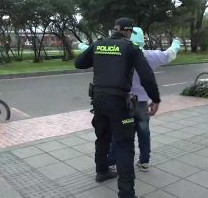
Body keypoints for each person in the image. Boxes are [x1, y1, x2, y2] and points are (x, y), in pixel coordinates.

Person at [75, 18, 161, 198]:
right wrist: (156, 99)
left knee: (102, 137)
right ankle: (126, 193)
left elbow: (79, 63)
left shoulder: (99, 44)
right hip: (119, 102)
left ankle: (102, 171)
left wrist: (98, 55)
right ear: (128, 31)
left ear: (115, 29)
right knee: (124, 145)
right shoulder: (130, 48)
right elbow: (146, 75)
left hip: (98, 100)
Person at [106, 27, 181, 172]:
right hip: (141, 103)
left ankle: (112, 161)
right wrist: (176, 42)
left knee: (119, 132)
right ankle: (144, 161)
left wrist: (82, 45)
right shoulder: (150, 55)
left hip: (123, 101)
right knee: (144, 132)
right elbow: (170, 54)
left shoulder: (118, 54)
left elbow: (91, 52)